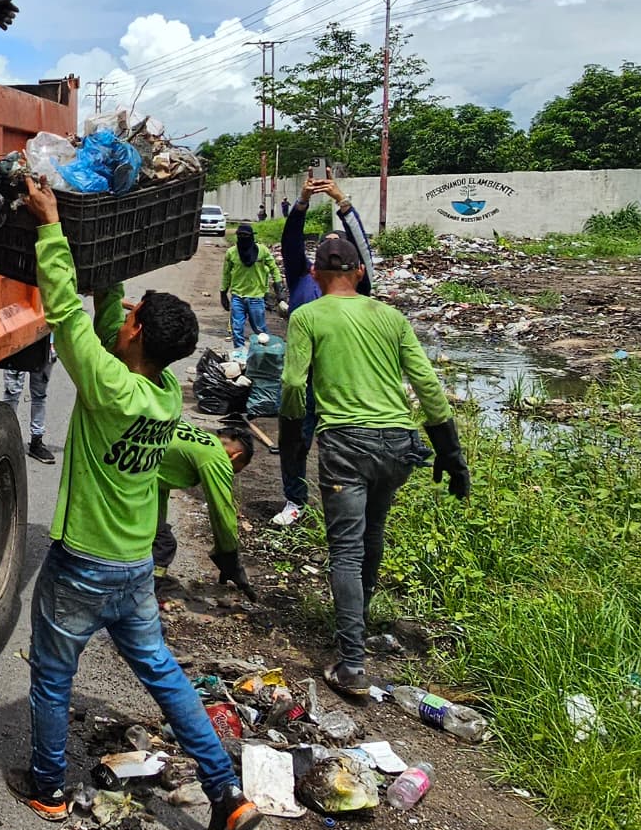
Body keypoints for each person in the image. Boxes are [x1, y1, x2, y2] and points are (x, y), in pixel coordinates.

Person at [13, 173, 261, 830]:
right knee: (165, 675)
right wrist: (113, 265)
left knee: (53, 673)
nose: (119, 319)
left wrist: (51, 225)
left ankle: (46, 785)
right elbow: (98, 318)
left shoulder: (107, 384)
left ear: (139, 336)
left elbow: (65, 313)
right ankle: (227, 794)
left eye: (127, 317)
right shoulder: (157, 393)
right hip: (131, 572)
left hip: (84, 566)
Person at [281, 233, 469, 695]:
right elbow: (426, 382)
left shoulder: (307, 316)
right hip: (399, 444)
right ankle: (357, 623)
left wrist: (292, 441)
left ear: (314, 274)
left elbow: (291, 385)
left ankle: (351, 662)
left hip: (346, 442)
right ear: (360, 272)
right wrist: (451, 452)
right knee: (372, 534)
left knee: (346, 548)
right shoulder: (390, 316)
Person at [270, 177, 375, 528]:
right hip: (303, 377)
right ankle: (295, 500)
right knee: (295, 442)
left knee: (341, 447)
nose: (331, 246)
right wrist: (301, 202)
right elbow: (290, 242)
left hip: (343, 380)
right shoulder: (303, 277)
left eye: (337, 244)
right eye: (324, 244)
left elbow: (361, 245)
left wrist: (341, 201)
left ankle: (342, 505)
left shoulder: (360, 286)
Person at [149, 420, 257, 600]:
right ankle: (148, 589)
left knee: (154, 534)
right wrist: (230, 559)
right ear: (235, 456)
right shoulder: (216, 455)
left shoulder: (197, 438)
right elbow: (222, 511)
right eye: (233, 471)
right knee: (164, 543)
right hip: (122, 476)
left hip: (127, 465)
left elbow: (160, 481)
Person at [220, 222, 283, 355]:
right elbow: (226, 274)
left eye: (246, 235)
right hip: (238, 297)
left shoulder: (262, 251)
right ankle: (240, 354)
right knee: (237, 328)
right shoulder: (231, 253)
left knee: (260, 329)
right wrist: (223, 293)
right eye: (240, 235)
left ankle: (270, 354)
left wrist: (279, 291)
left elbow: (274, 269)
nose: (243, 238)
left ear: (252, 237)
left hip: (256, 297)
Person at [2, 351, 56, 463]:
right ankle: (7, 439)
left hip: (44, 346)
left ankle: (36, 440)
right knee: (12, 394)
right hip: (17, 345)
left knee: (39, 396)